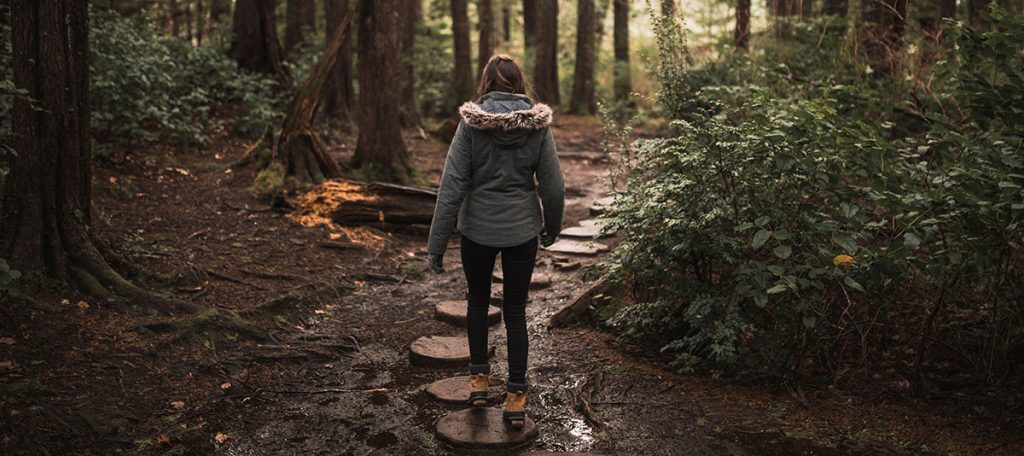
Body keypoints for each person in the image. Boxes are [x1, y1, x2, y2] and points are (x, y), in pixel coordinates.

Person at [426, 54, 564, 429]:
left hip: (478, 230)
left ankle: (478, 383)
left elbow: (452, 183)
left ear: (486, 82)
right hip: (522, 230)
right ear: (519, 83)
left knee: (477, 302)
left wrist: (436, 242)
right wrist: (553, 226)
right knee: (516, 310)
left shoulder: (470, 125)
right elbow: (552, 184)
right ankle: (516, 396)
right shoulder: (537, 126)